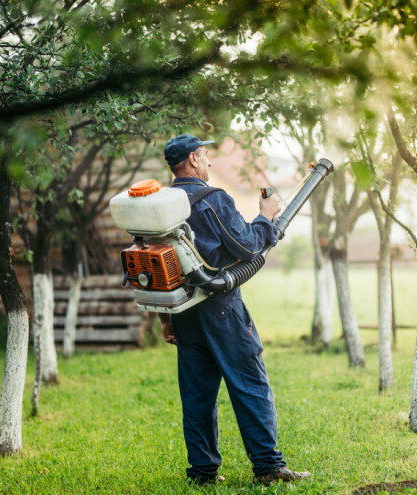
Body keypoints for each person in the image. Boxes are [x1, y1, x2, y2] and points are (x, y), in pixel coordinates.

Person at [158, 134, 310, 486]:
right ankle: (269, 468)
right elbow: (248, 245)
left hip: (182, 311)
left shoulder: (161, 204)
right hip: (221, 309)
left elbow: (159, 265)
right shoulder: (212, 199)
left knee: (197, 395)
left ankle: (202, 473)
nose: (210, 162)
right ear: (194, 160)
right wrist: (266, 215)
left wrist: (165, 318)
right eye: (206, 155)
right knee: (250, 383)